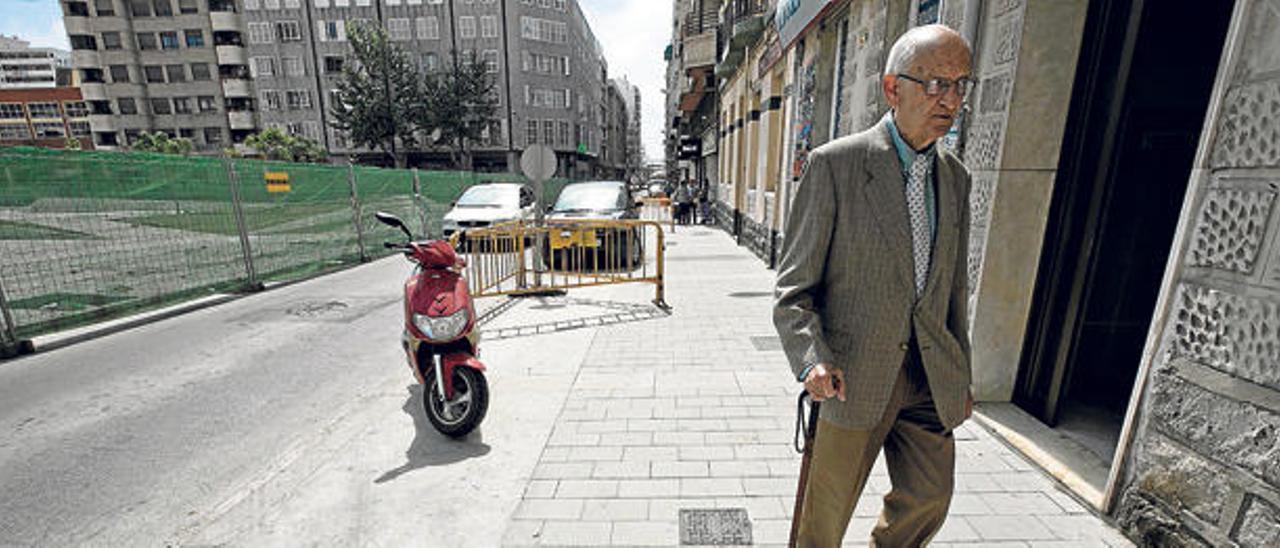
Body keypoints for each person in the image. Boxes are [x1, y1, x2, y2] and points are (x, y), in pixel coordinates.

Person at [773, 24, 975, 547]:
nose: (949, 100)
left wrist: (961, 375)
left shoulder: (955, 179)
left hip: (929, 377)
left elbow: (953, 289)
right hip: (852, 375)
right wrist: (810, 358)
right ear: (893, 89)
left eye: (959, 85)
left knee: (931, 496)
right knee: (823, 520)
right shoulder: (835, 166)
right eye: (935, 84)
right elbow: (794, 289)